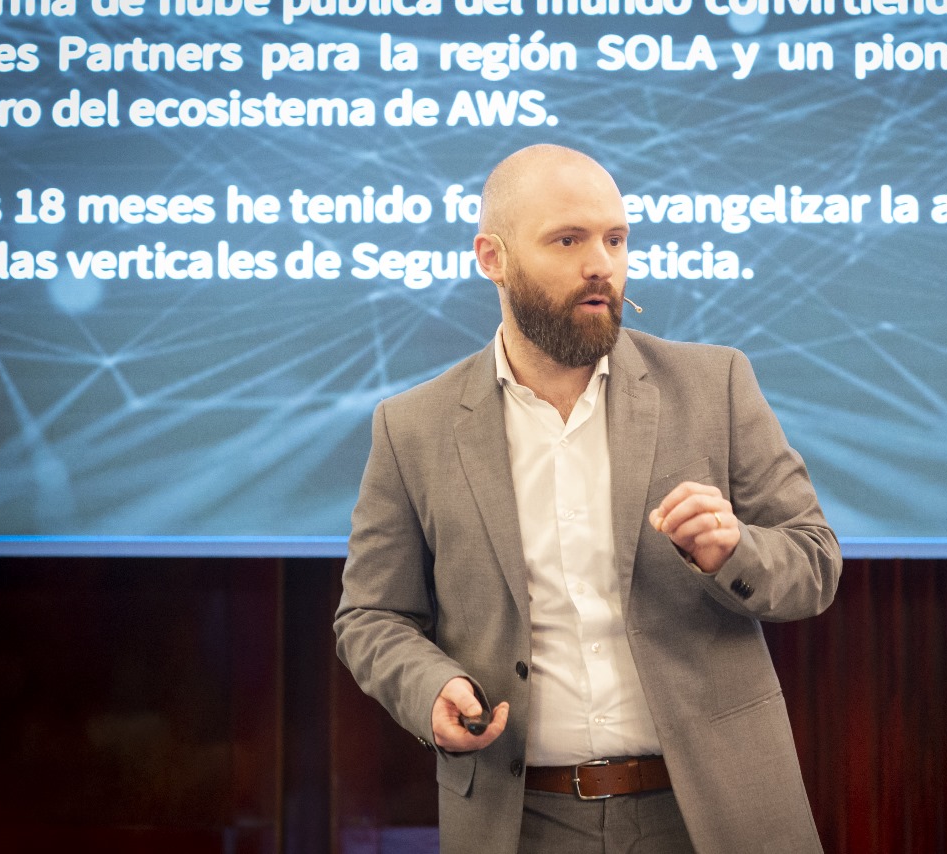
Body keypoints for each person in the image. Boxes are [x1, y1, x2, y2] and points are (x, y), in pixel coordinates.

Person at [334, 144, 842, 853]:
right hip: (520, 820)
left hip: (712, 810)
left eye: (615, 239)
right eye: (568, 240)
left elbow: (814, 566)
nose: (601, 263)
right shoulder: (412, 426)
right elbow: (371, 616)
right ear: (493, 258)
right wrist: (428, 688)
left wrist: (734, 551)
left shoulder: (715, 385)